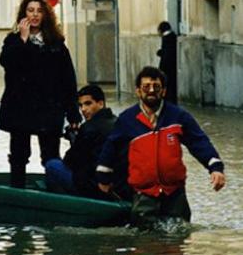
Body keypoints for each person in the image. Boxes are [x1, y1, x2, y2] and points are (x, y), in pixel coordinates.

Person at [96, 66, 226, 226]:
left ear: (163, 91)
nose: (151, 90)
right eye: (146, 87)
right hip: (143, 194)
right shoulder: (127, 119)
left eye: (156, 87)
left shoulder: (178, 116)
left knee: (178, 240)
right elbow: (111, 148)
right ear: (138, 91)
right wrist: (103, 177)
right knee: (145, 244)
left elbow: (199, 142)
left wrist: (216, 168)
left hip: (175, 194)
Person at [0, 0, 81, 188]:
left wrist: (73, 112)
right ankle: (17, 191)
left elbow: (68, 80)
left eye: (39, 11)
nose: (34, 15)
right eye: (30, 10)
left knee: (51, 155)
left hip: (49, 108)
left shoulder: (56, 44)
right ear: (23, 14)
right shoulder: (13, 40)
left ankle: (54, 191)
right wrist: (23, 39)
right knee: (19, 154)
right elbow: (6, 62)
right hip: (20, 108)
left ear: (45, 14)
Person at [44, 85, 129, 200]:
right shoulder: (117, 122)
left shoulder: (89, 128)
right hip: (115, 186)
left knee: (52, 165)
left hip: (93, 187)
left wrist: (75, 139)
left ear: (100, 103)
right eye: (81, 105)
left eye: (88, 104)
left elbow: (69, 161)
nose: (83, 109)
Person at [157, 21, 178, 104]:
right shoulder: (173, 37)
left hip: (167, 68)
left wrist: (160, 70)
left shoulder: (166, 38)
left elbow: (166, 55)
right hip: (173, 67)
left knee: (167, 88)